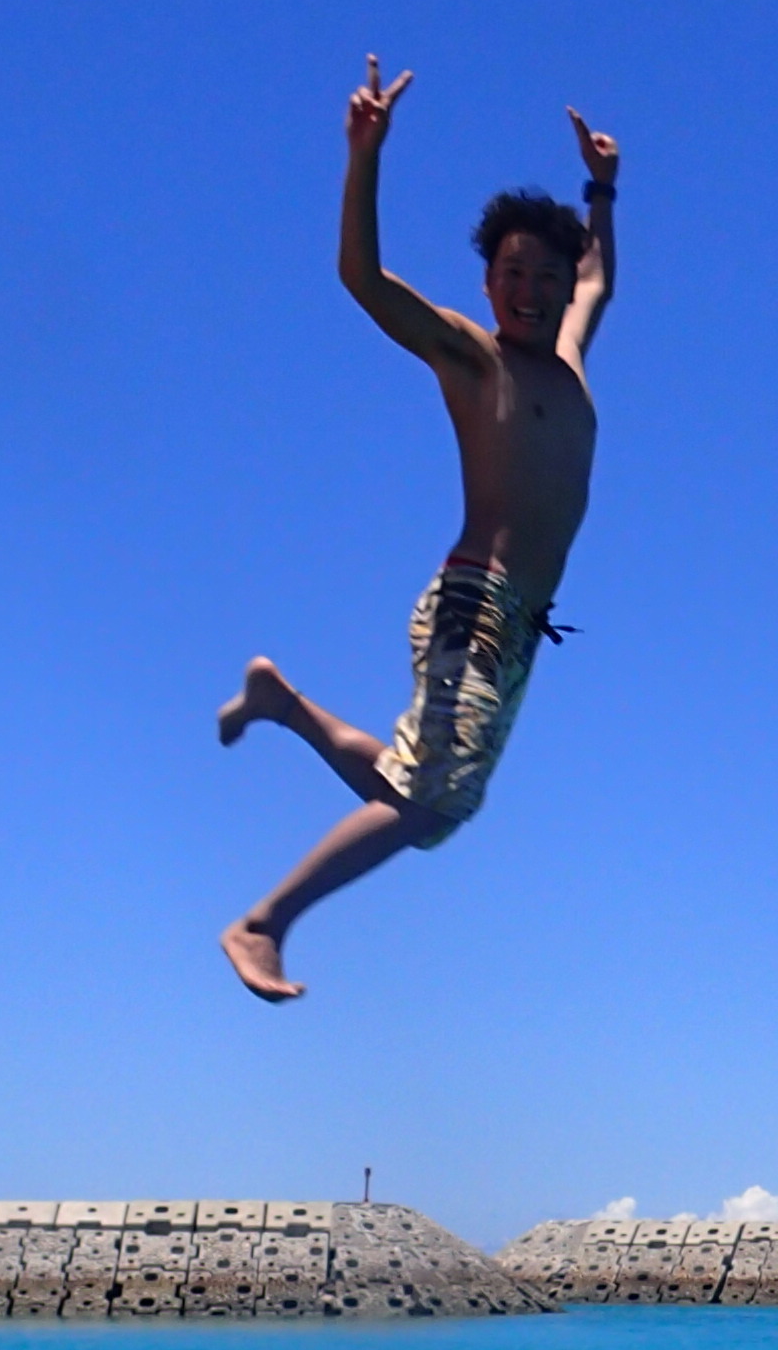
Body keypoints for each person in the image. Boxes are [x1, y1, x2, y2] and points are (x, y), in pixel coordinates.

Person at [217, 56, 620, 1000]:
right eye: (510, 273)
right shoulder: (475, 360)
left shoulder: (568, 361)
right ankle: (261, 923)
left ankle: (281, 704)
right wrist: (365, 156)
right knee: (427, 795)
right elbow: (361, 277)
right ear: (486, 284)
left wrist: (602, 187)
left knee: (433, 803)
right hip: (474, 603)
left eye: (545, 276)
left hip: (520, 625)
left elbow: (604, 272)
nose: (529, 289)